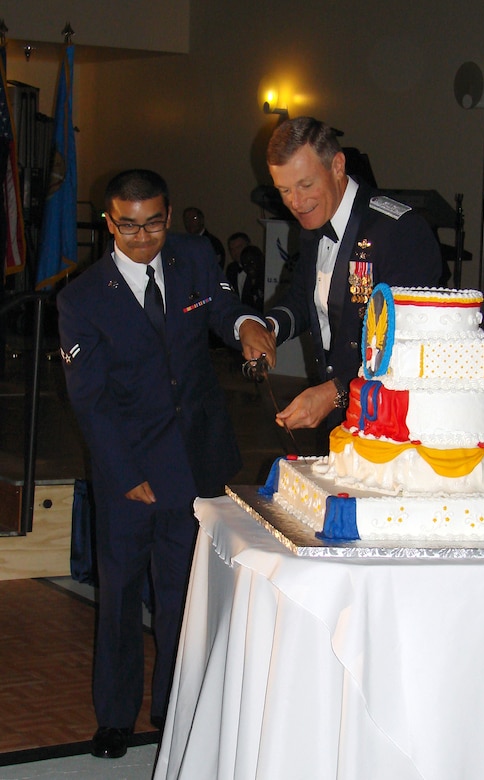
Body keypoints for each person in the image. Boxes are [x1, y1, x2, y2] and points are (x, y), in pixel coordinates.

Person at [57, 170, 275, 760]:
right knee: (121, 593)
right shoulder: (81, 299)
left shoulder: (193, 257)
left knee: (182, 592)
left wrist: (245, 325)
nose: (142, 238)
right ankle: (115, 717)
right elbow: (90, 401)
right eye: (128, 226)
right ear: (110, 223)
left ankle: (173, 706)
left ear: (169, 215)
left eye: (153, 224)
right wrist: (126, 474)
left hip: (193, 459)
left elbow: (222, 307)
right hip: (127, 467)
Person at [264, 116, 443, 435]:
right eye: (284, 190)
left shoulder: (399, 230)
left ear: (337, 166)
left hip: (394, 421)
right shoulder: (313, 223)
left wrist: (335, 392)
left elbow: (408, 341)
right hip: (340, 417)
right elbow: (306, 301)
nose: (296, 203)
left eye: (305, 185)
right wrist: (269, 328)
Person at [238, 244, 265, 311]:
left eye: (252, 262)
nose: (249, 267)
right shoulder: (242, 280)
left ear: (261, 260)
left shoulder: (268, 280)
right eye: (245, 264)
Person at [225, 231, 251, 295]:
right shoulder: (231, 269)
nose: (236, 252)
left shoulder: (258, 268)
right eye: (232, 249)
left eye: (239, 247)